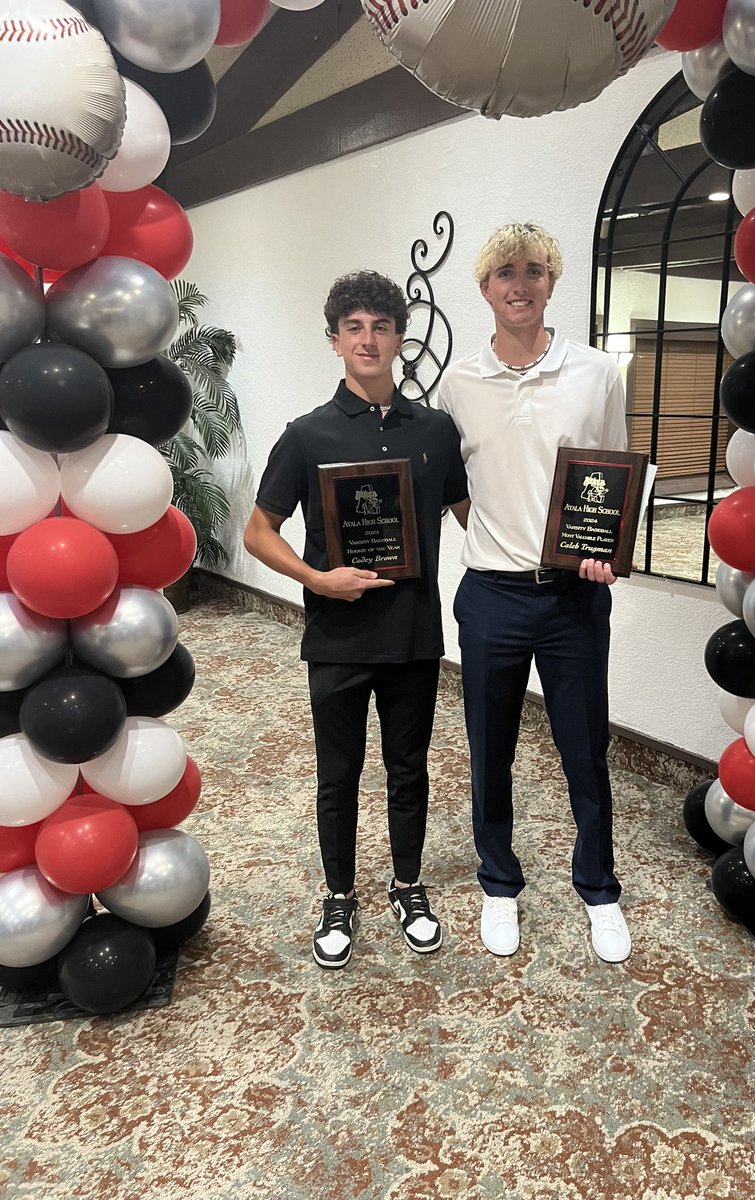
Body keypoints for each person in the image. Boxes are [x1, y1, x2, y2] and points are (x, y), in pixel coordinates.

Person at [244, 270, 469, 969]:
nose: (368, 339)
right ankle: (339, 894)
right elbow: (258, 531)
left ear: (400, 338)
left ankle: (407, 885)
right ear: (336, 341)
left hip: (412, 636)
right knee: (337, 775)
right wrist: (316, 578)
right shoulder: (305, 436)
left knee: (409, 769)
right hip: (337, 638)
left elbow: (474, 516)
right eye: (355, 328)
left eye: (381, 326)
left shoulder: (434, 430)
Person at [435, 222, 631, 964]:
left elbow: (611, 471)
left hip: (574, 600)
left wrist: (600, 551)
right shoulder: (459, 383)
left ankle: (599, 889)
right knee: (490, 748)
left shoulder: (595, 374)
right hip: (490, 594)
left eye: (535, 270)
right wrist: (494, 534)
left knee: (585, 746)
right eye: (505, 273)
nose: (520, 284)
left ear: (553, 282)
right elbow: (459, 489)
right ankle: (499, 882)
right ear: (484, 288)